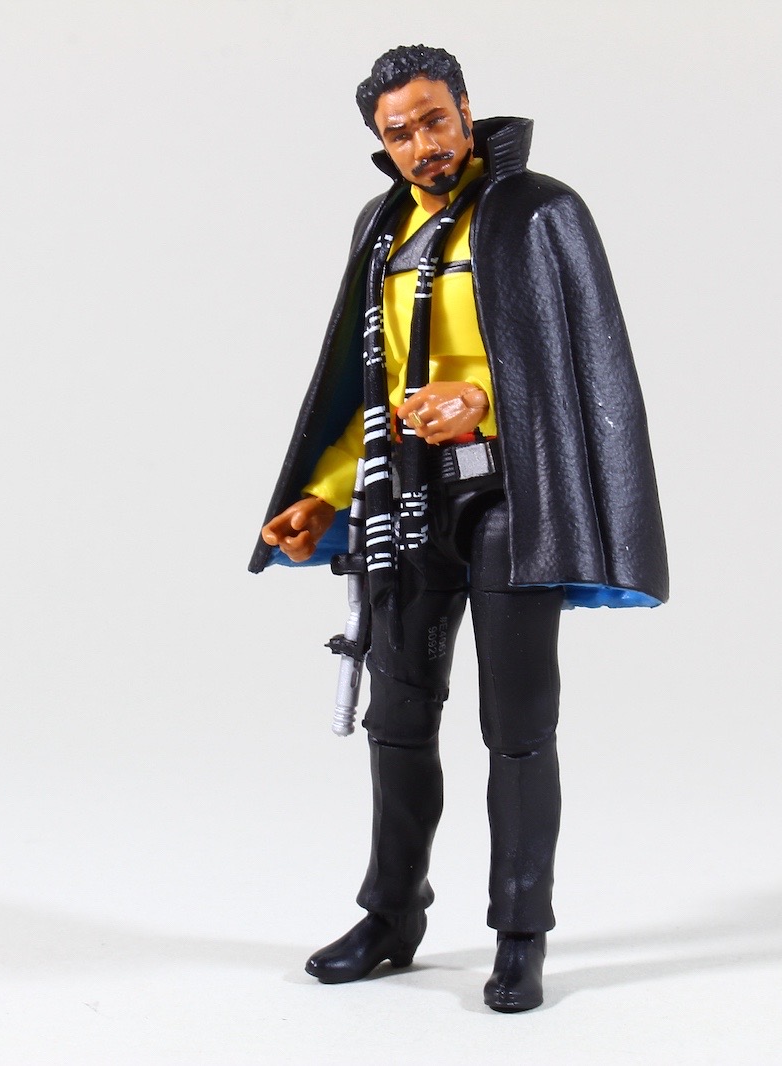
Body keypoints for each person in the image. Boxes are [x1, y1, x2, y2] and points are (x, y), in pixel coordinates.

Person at [249, 44, 669, 1013]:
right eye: (398, 131)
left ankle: (520, 934)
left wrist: (480, 400)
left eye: (433, 119)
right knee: (397, 721)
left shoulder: (538, 213)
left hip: (511, 501)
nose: (421, 144)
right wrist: (325, 492)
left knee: (517, 727)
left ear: (467, 109)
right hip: (405, 501)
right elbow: (370, 387)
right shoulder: (382, 226)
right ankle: (391, 915)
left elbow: (576, 366)